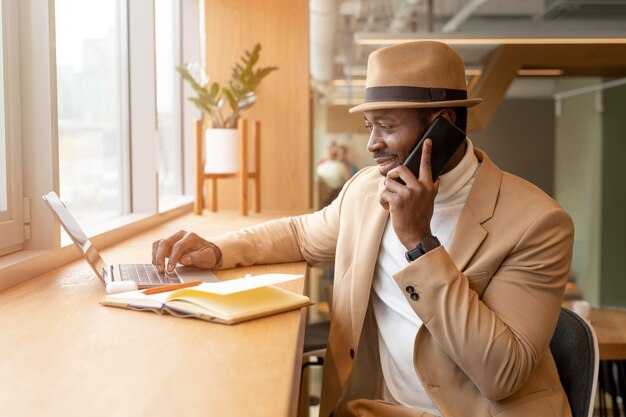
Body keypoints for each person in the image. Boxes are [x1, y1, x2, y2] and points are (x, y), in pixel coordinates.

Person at [152, 41, 574, 417]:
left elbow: (502, 374)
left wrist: (419, 243)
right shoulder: (367, 189)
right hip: (376, 406)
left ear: (442, 125)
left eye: (387, 126)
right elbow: (302, 234)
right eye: (369, 125)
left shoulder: (537, 223)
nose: (372, 143)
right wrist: (217, 250)